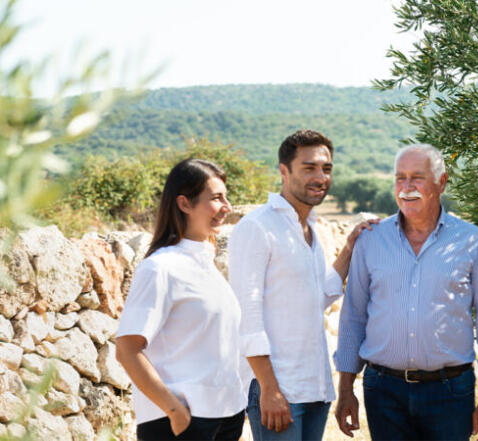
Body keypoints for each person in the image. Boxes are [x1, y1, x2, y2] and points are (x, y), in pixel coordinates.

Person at [334, 143, 478, 441]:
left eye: (417, 177)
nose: (407, 187)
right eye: (400, 178)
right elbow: (353, 315)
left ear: (441, 183)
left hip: (451, 393)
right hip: (383, 393)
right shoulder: (371, 240)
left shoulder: (472, 240)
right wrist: (345, 390)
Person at [228, 129, 376, 441]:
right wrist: (269, 389)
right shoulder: (257, 228)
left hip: (314, 388)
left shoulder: (308, 228)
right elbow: (247, 318)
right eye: (309, 168)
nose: (320, 177)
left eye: (326, 168)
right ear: (284, 171)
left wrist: (349, 249)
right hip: (278, 390)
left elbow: (317, 297)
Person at [115, 159, 246, 441]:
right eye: (216, 198)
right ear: (185, 204)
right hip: (183, 423)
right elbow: (127, 349)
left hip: (226, 415)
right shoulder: (159, 268)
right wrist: (175, 411)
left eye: (226, 197)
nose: (227, 206)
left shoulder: (206, 262)